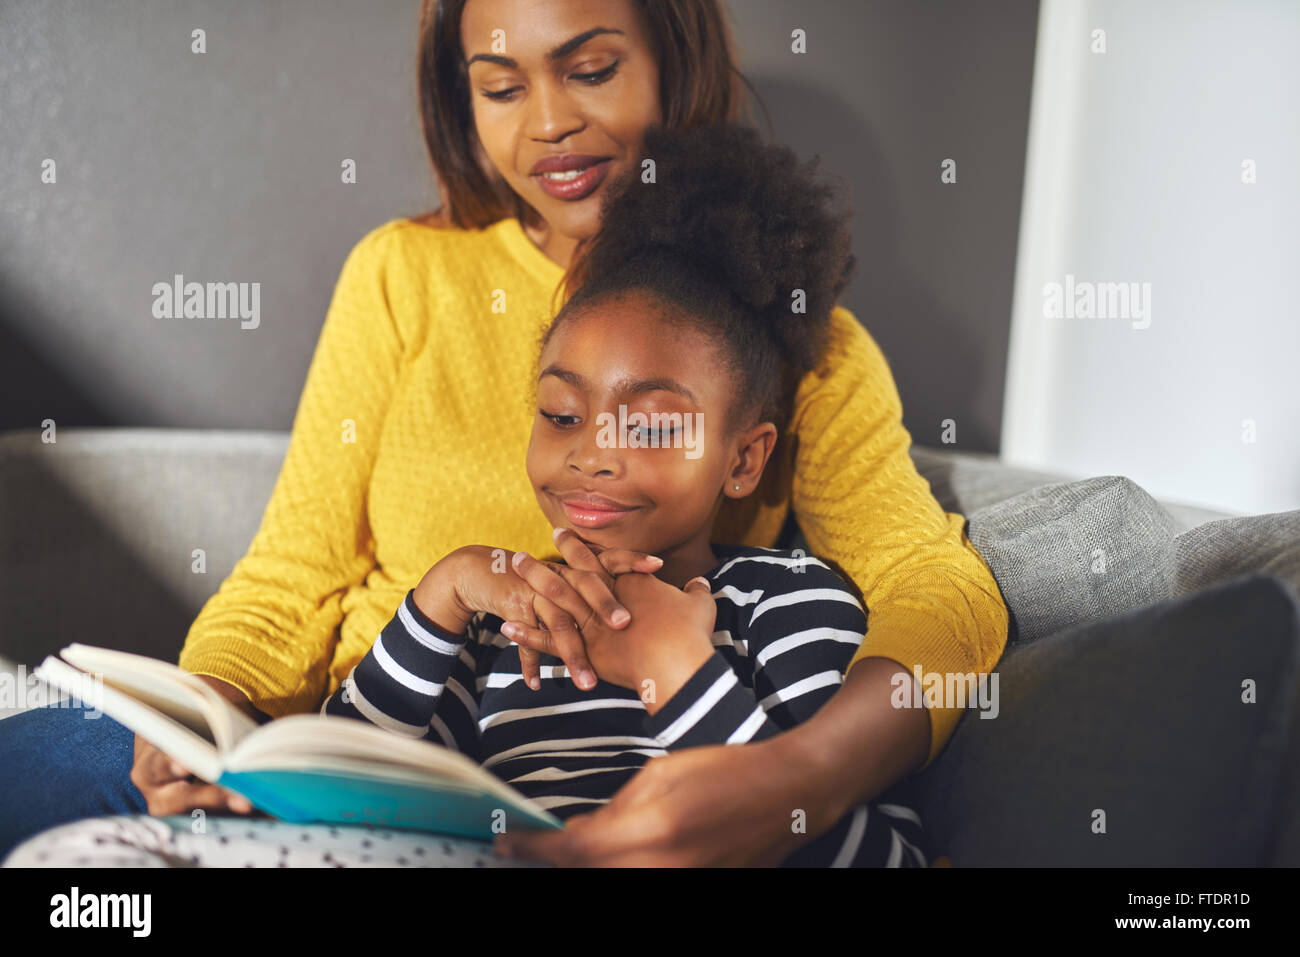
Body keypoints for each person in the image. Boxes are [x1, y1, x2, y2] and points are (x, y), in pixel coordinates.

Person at [0, 0, 1008, 866]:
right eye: (500, 86)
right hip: (364, 751)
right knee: (48, 772)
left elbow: (932, 587)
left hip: (612, 784)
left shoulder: (786, 335)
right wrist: (203, 715)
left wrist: (802, 775)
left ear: (672, 57)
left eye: (593, 68)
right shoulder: (403, 276)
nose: (550, 126)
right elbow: (287, 579)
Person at [323, 121, 927, 866]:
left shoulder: (792, 604)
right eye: (561, 415)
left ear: (743, 460)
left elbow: (877, 857)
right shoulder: (499, 623)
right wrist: (441, 594)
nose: (591, 454)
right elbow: (339, 785)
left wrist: (679, 672)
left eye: (650, 426)